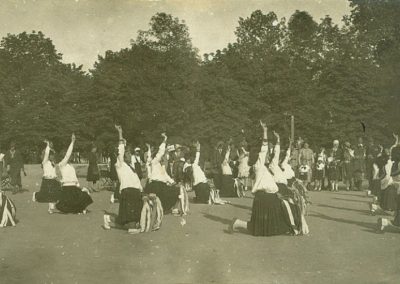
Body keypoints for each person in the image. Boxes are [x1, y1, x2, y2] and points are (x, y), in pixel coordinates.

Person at [229, 120, 299, 236]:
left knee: (263, 226)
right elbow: (264, 149)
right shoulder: (259, 165)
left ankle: (237, 223)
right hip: (265, 197)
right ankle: (237, 223)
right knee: (263, 227)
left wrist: (278, 141)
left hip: (267, 197)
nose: (267, 156)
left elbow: (275, 155)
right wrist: (265, 131)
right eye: (265, 155)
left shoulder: (264, 167)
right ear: (259, 156)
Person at [104, 125, 149, 233]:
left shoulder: (131, 167)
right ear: (123, 156)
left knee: (134, 220)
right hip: (127, 192)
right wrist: (120, 133)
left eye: (130, 154)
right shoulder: (120, 165)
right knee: (131, 225)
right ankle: (110, 219)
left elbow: (137, 182)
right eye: (128, 154)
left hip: (136, 192)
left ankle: (110, 219)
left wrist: (142, 192)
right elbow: (121, 150)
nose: (130, 155)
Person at [56, 133, 93, 214]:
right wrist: (72, 142)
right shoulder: (61, 164)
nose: (71, 156)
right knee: (70, 204)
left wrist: (78, 185)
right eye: (69, 156)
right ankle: (78, 209)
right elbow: (67, 155)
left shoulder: (70, 165)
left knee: (85, 196)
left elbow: (74, 176)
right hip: (67, 188)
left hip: (74, 187)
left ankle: (79, 209)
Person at [145, 133, 180, 214]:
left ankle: (170, 208)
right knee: (163, 192)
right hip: (155, 184)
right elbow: (160, 152)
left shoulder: (161, 166)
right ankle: (162, 208)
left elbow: (166, 176)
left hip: (161, 185)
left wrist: (173, 182)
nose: (163, 158)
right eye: (162, 157)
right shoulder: (154, 162)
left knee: (176, 190)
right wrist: (164, 140)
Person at [32, 140, 61, 214]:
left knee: (53, 194)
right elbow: (47, 153)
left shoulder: (54, 163)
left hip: (53, 180)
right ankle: (36, 194)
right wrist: (48, 145)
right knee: (44, 194)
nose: (52, 157)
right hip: (46, 180)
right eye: (50, 156)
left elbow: (54, 172)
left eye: (53, 156)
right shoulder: (45, 162)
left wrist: (57, 178)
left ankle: (50, 208)